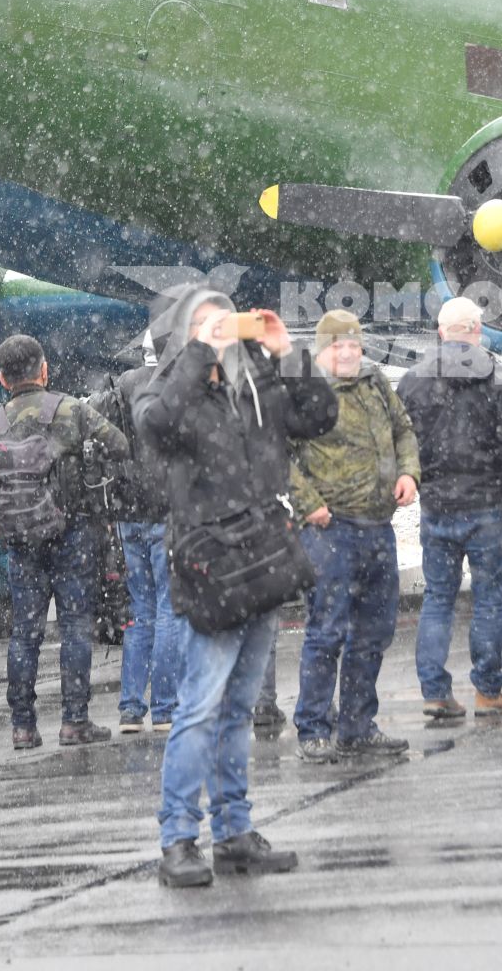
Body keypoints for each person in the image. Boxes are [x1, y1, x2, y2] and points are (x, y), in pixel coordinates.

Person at [134, 285, 336, 888]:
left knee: (240, 708)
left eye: (226, 318)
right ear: (182, 335)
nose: (222, 328)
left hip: (264, 559)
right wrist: (199, 353)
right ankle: (177, 839)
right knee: (199, 707)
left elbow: (319, 418)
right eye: (205, 321)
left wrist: (288, 353)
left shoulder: (255, 386)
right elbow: (158, 427)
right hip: (211, 566)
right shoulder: (167, 392)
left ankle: (234, 832)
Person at [0, 335, 129, 751]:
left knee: (25, 633)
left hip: (20, 542)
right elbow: (120, 446)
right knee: (74, 626)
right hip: (73, 533)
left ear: (2, 378)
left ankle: (23, 726)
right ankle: (74, 720)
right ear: (44, 369)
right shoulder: (71, 410)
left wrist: (9, 507)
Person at [289, 310, 421, 762]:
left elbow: (404, 430)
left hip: (378, 528)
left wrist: (409, 473)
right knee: (327, 632)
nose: (347, 353)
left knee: (374, 631)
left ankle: (358, 725)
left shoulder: (375, 383)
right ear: (322, 350)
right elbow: (280, 455)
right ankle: (312, 728)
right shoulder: (306, 391)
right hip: (331, 531)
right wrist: (310, 504)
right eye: (338, 346)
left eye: (354, 345)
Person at [398, 297, 502, 719]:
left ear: (441, 332)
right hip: (491, 505)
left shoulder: (413, 381)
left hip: (438, 504)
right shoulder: (499, 378)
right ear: (477, 331)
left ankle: (435, 691)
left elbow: (402, 442)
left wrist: (424, 483)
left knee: (438, 598)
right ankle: (488, 693)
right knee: (489, 600)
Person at [85, 342, 183, 736]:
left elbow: (92, 423)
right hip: (167, 510)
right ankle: (164, 709)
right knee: (169, 610)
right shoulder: (178, 384)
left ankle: (129, 709)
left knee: (140, 612)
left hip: (128, 512)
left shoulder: (121, 386)